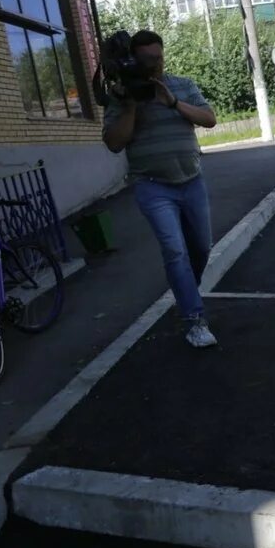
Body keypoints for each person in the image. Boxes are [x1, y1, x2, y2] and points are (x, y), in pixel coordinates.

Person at [102, 30, 219, 348]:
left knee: (202, 248)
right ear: (135, 59)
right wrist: (130, 107)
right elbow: (114, 143)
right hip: (153, 187)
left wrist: (173, 103)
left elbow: (209, 119)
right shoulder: (124, 94)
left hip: (191, 180)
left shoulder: (182, 84)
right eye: (148, 60)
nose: (155, 64)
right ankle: (194, 320)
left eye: (159, 57)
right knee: (175, 251)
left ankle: (185, 292)